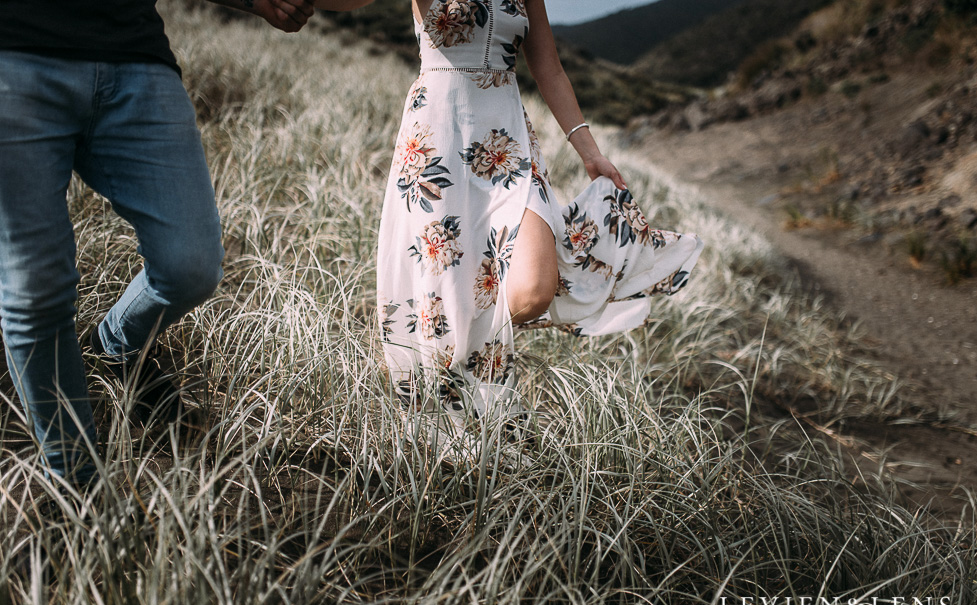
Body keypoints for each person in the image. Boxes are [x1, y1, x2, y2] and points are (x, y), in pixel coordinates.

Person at [321, 0, 705, 444]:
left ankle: (470, 387)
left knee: (533, 291)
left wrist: (590, 151)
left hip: (510, 146)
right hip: (438, 143)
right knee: (447, 293)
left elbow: (549, 67)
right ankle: (457, 410)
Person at [0, 0, 315, 491]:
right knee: (35, 290)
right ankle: (77, 489)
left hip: (135, 58)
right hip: (13, 57)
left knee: (191, 265)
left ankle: (118, 344)